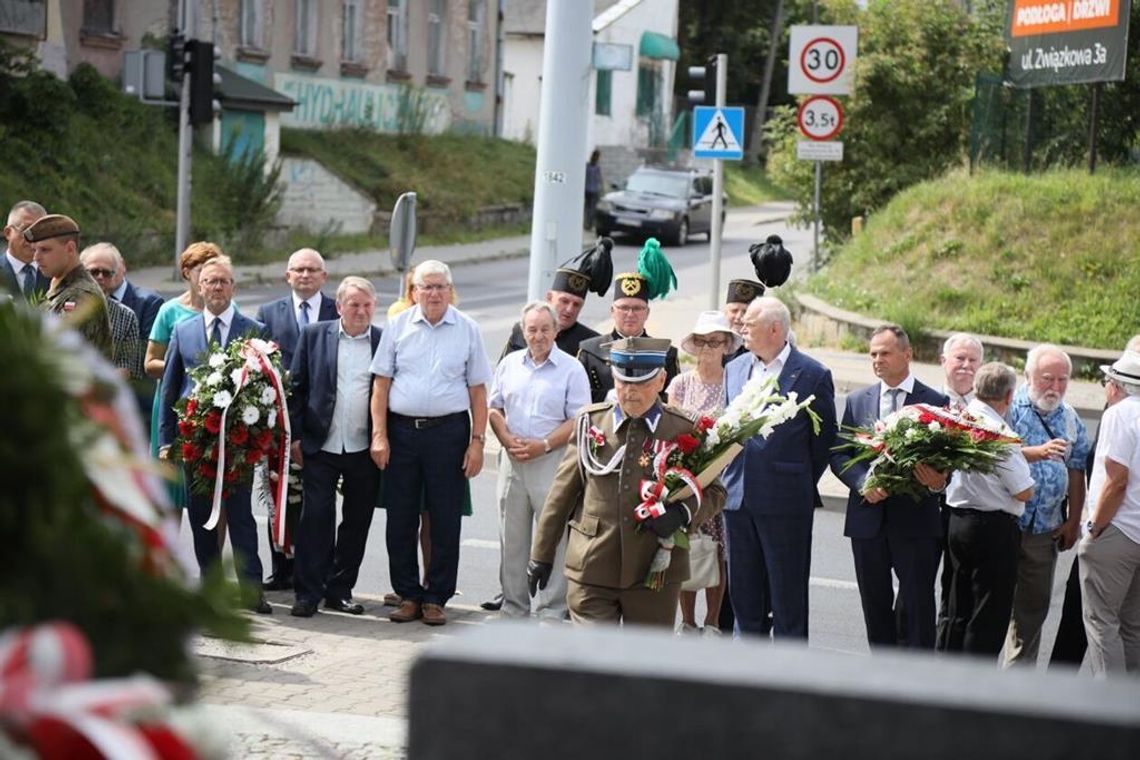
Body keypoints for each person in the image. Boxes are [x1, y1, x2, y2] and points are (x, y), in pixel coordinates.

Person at [528, 337, 726, 626]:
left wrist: (682, 514)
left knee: (643, 664)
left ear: (661, 381)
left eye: (642, 384)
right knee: (595, 661)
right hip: (592, 565)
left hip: (655, 570)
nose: (630, 392)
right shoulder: (590, 423)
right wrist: (541, 555)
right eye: (623, 383)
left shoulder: (684, 428)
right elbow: (562, 495)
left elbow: (717, 491)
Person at [369, 259, 492, 627]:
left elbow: (478, 393)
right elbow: (381, 385)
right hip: (402, 433)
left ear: (450, 291)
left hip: (449, 434)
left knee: (444, 519)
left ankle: (437, 597)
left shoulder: (467, 329)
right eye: (427, 287)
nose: (434, 293)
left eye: (441, 287)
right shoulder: (397, 326)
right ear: (414, 292)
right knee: (401, 516)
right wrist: (379, 434)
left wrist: (477, 442)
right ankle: (408, 595)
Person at [158, 255, 271, 614]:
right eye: (211, 281)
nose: (217, 287)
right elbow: (171, 387)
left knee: (241, 518)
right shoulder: (184, 330)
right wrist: (165, 440)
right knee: (202, 518)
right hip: (196, 441)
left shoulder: (253, 329)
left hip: (239, 443)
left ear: (233, 287)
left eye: (224, 281)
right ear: (199, 286)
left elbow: (268, 387)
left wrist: (260, 437)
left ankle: (252, 590)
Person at [722, 297, 836, 639]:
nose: (742, 327)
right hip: (737, 500)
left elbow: (823, 442)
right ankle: (748, 680)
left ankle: (790, 681)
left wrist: (792, 478)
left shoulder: (813, 374)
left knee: (787, 601)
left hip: (786, 503)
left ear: (774, 328)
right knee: (744, 596)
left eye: (749, 323)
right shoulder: (736, 368)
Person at [830, 325, 949, 649]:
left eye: (885, 353)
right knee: (875, 607)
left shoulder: (935, 401)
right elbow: (841, 455)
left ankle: (917, 683)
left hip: (915, 522)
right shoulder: (858, 400)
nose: (877, 360)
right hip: (868, 521)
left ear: (907, 355)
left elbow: (946, 462)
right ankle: (880, 680)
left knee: (918, 607)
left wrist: (939, 481)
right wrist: (861, 482)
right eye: (872, 354)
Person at [288, 277, 383, 618]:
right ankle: (307, 593)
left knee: (356, 522)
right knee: (315, 520)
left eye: (367, 305)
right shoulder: (315, 335)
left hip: (364, 448)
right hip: (320, 444)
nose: (360, 311)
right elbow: (296, 388)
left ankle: (340, 590)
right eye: (354, 305)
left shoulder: (383, 341)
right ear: (339, 306)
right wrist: (296, 437)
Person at [489, 301, 590, 619]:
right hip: (512, 461)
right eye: (532, 329)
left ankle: (552, 609)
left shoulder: (571, 369)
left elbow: (578, 419)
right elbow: (494, 407)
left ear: (556, 330)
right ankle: (514, 606)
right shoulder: (509, 364)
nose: (538, 335)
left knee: (553, 538)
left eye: (545, 329)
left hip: (552, 461)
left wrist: (544, 445)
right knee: (512, 536)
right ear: (523, 331)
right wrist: (505, 439)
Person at [255, 248, 339, 592]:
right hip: (281, 419)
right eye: (298, 270)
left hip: (325, 421)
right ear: (287, 275)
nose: (305, 275)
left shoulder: (339, 309)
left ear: (324, 276)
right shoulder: (269, 312)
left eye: (312, 270)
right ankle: (283, 568)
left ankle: (320, 572)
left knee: (319, 504)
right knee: (278, 494)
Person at [1003, 345, 1091, 667]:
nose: (1055, 387)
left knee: (1031, 612)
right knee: (996, 607)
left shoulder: (1070, 418)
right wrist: (1035, 451)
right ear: (1027, 376)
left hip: (1046, 530)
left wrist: (1074, 520)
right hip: (1006, 525)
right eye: (1046, 379)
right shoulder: (1010, 408)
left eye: (1062, 380)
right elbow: (993, 451)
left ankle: (1016, 687)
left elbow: (1077, 469)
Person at [942, 362, 1035, 657]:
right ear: (1009, 396)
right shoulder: (997, 431)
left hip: (958, 521)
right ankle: (974, 687)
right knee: (988, 615)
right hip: (993, 528)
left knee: (957, 607)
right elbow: (1023, 490)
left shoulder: (961, 419)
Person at [667, 311, 740, 635]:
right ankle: (688, 621)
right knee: (687, 548)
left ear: (727, 345)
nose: (709, 347)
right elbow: (671, 426)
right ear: (693, 345)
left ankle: (712, 621)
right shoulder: (681, 383)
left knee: (717, 553)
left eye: (716, 341)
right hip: (688, 477)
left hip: (721, 480)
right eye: (703, 341)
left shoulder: (734, 382)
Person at [145, 242, 223, 513]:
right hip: (172, 405)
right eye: (201, 269)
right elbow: (150, 362)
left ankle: (211, 555)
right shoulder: (170, 311)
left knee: (216, 493)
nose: (207, 277)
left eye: (213, 270)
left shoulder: (227, 310)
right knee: (169, 491)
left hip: (214, 410)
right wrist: (185, 365)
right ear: (186, 273)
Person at [1079, 350, 1140, 675]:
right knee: (1133, 626)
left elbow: (1117, 481)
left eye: (1107, 381)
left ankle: (1109, 714)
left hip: (1116, 529)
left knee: (1102, 623)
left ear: (1116, 387)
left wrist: (1094, 527)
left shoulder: (1119, 414)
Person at [578, 240, 679, 403]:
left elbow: (673, 400)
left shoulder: (666, 353)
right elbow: (577, 397)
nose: (630, 314)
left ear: (647, 313)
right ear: (612, 311)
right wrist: (605, 396)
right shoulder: (589, 351)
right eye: (624, 308)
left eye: (637, 308)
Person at [934, 333, 985, 648]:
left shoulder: (990, 409)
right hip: (928, 509)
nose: (966, 366)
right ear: (943, 362)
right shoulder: (927, 400)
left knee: (957, 592)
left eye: (973, 361)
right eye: (959, 359)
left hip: (967, 515)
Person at [498, 237, 610, 360]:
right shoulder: (521, 330)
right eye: (564, 301)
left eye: (576, 304)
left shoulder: (590, 344)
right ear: (549, 298)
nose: (569, 309)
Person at [26, 214, 112, 358]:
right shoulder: (61, 287)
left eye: (45, 250)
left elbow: (63, 359)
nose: (36, 257)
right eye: (35, 250)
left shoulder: (79, 295)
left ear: (70, 248)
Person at [81, 244, 143, 381]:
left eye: (107, 273)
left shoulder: (127, 316)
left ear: (115, 276)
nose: (100, 277)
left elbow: (128, 365)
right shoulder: (62, 308)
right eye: (94, 272)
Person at [1, 200, 49, 301]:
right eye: (27, 230)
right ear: (8, 233)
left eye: (41, 231)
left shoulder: (56, 274)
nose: (34, 238)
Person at [722, 279, 763, 365]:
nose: (739, 317)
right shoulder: (717, 342)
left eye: (745, 312)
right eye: (734, 311)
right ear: (725, 313)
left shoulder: (763, 347)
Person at [584, 149, 603, 231]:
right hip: (593, 190)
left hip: (588, 190)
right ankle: (589, 225)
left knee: (588, 208)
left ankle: (587, 224)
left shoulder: (588, 166)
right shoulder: (596, 167)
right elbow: (599, 179)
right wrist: (601, 189)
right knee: (592, 209)